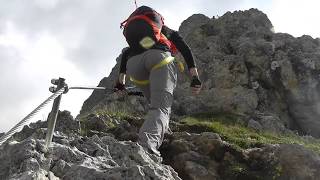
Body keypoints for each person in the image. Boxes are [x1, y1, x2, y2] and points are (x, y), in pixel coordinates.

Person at [114, 5, 202, 156]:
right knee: (161, 107)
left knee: (156, 104)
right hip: (159, 60)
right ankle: (146, 147)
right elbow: (186, 50)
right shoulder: (167, 32)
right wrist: (195, 77)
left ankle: (163, 129)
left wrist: (120, 83)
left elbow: (127, 53)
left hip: (134, 67)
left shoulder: (145, 39)